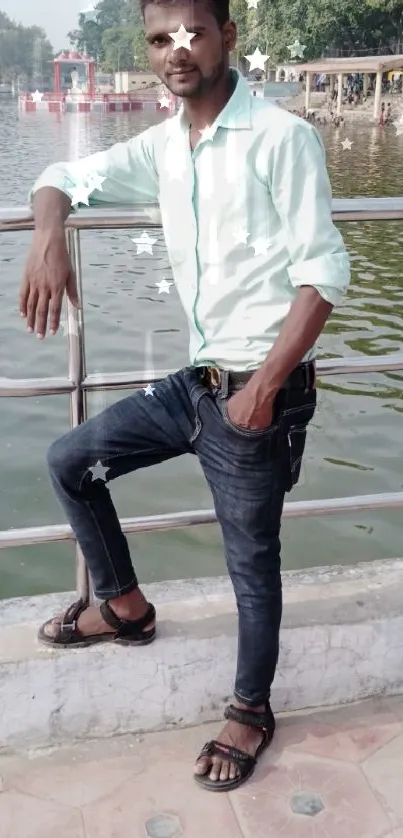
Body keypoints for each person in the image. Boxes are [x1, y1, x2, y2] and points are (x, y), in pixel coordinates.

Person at [20, 0, 350, 793]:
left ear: (227, 38)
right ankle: (125, 607)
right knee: (71, 460)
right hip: (194, 384)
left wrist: (262, 393)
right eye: (161, 38)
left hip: (257, 394)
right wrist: (47, 239)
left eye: (194, 33)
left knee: (250, 563)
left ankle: (250, 710)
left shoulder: (281, 137)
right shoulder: (166, 145)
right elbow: (61, 175)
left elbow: (324, 276)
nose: (177, 50)